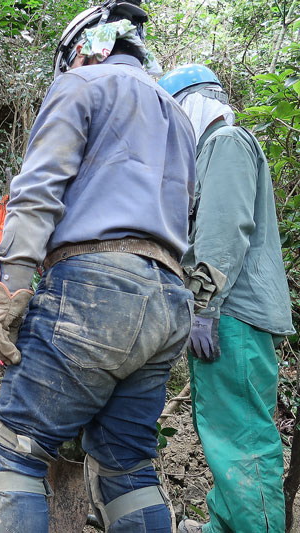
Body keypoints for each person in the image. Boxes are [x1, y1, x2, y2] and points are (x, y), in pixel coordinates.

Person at [0, 2, 197, 531]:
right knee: (126, 469)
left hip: (96, 290)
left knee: (9, 448)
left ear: (82, 50)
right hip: (168, 299)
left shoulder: (83, 85)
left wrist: (10, 291)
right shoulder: (180, 118)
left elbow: (36, 193)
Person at [159, 64, 296, 533]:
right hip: (230, 317)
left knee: (241, 440)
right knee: (223, 435)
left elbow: (222, 233)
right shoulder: (217, 150)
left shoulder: (226, 142)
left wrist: (205, 307)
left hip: (231, 316)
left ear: (192, 105)